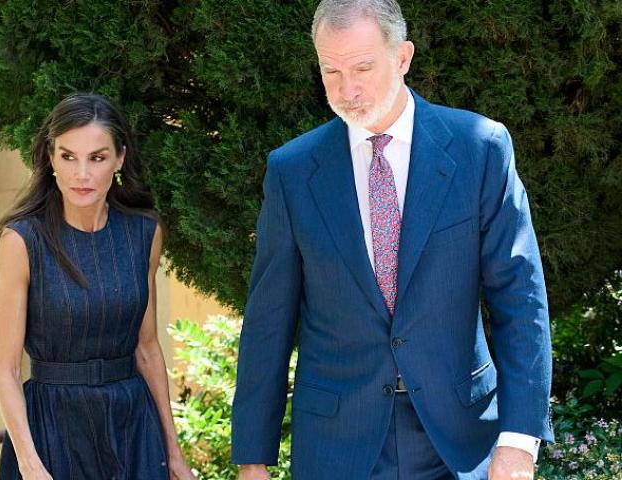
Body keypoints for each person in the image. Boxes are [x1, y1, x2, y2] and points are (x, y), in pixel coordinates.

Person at [231, 1, 553, 479]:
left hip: (460, 442)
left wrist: (519, 439)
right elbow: (268, 321)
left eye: (362, 68)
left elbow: (520, 297)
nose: (347, 89)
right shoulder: (292, 171)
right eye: (331, 71)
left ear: (402, 57)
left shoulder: (479, 148)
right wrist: (252, 459)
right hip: (338, 445)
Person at [0, 93, 195, 480]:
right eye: (68, 156)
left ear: (119, 159)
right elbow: (6, 368)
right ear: (50, 158)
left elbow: (147, 349)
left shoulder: (144, 232)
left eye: (97, 158)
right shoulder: (21, 241)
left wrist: (174, 453)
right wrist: (29, 464)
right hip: (53, 429)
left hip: (132, 426)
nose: (81, 174)